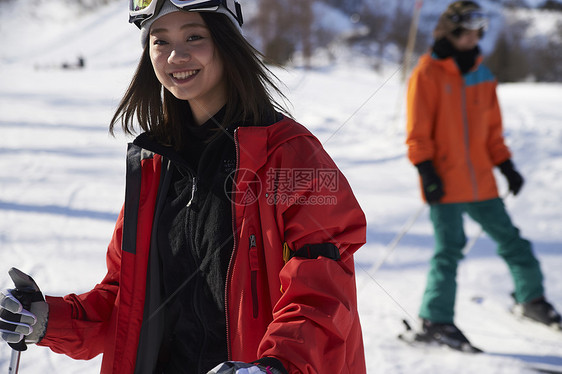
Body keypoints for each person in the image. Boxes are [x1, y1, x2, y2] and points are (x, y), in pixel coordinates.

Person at [0, 1, 367, 373]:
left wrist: (276, 366)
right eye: (160, 42)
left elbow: (324, 291)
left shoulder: (293, 154)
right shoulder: (155, 165)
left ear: (226, 42)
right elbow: (125, 301)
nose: (177, 54)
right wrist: (46, 319)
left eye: (194, 36)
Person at [405, 0, 561, 351]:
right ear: (453, 29)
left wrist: (506, 166)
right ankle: (435, 321)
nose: (476, 36)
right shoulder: (427, 73)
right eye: (470, 30)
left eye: (480, 30)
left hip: (481, 183)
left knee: (514, 242)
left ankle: (531, 300)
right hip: (444, 182)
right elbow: (417, 134)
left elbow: (492, 134)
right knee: (449, 251)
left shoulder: (482, 74)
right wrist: (427, 172)